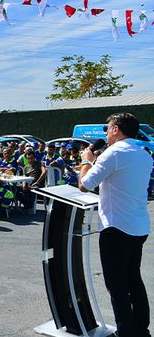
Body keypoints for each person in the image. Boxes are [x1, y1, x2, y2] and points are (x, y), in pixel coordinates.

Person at [79, 113, 152, 337]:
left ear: (116, 129)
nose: (106, 134)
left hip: (116, 227)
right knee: (133, 280)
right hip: (138, 225)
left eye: (107, 129)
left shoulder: (113, 153)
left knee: (117, 285)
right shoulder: (143, 154)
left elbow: (84, 184)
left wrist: (86, 161)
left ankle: (125, 333)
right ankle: (140, 329)